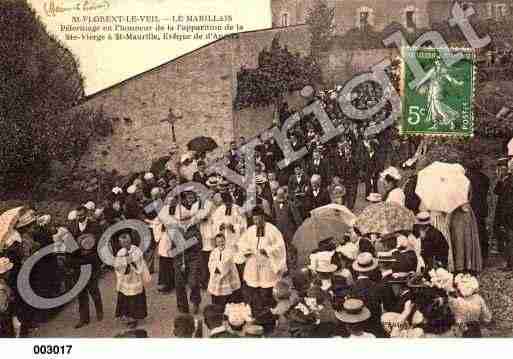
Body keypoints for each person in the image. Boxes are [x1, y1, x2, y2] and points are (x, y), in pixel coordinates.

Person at [237, 206, 287, 313]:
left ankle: (268, 312)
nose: (256, 222)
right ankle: (256, 311)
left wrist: (268, 250)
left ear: (263, 217)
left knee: (266, 290)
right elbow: (242, 243)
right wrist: (246, 250)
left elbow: (280, 245)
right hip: (253, 264)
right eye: (254, 220)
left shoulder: (272, 229)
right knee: (253, 289)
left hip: (267, 265)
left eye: (258, 219)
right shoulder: (250, 230)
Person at [114, 230, 150, 328]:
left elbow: (141, 264)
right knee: (125, 299)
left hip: (135, 279)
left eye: (126, 242)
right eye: (122, 243)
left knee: (135, 299)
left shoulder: (136, 251)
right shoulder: (120, 253)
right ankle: (127, 316)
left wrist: (132, 262)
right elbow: (117, 266)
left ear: (130, 241)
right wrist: (124, 264)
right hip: (125, 280)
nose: (125, 244)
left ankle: (134, 318)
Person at [70, 233, 104, 329]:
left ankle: (99, 312)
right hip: (80, 278)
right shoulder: (76, 252)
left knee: (95, 295)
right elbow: (71, 262)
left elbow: (96, 265)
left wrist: (95, 275)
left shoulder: (93, 253)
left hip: (91, 277)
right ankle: (84, 318)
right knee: (82, 298)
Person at [449, 273, 491, 338]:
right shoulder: (478, 298)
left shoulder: (456, 301)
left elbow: (452, 317)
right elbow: (487, 317)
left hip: (461, 332)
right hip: (476, 330)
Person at [208, 233, 241, 309]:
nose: (221, 243)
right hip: (216, 276)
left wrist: (219, 266)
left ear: (225, 241)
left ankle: (226, 309)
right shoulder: (214, 252)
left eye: (222, 241)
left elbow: (227, 263)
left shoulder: (229, 251)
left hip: (227, 276)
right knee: (216, 295)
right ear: (216, 243)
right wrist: (215, 268)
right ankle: (216, 308)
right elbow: (210, 263)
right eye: (219, 242)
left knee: (227, 296)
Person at [466, 158, 490, 263]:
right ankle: (484, 255)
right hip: (482, 208)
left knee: (472, 232)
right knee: (482, 231)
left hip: (471, 208)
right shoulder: (485, 178)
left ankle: (474, 256)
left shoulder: (467, 178)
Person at [449, 203, 482, 274]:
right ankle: (460, 265)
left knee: (463, 240)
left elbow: (464, 206)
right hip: (456, 215)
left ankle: (465, 265)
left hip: (463, 215)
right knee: (458, 240)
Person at [494, 158, 513, 271]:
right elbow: (496, 191)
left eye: (502, 169)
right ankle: (509, 262)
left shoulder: (510, 181)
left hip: (508, 214)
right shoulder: (505, 180)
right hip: (503, 212)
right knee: (506, 237)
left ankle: (510, 264)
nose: (499, 171)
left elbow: (508, 200)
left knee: (509, 237)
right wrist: (500, 180)